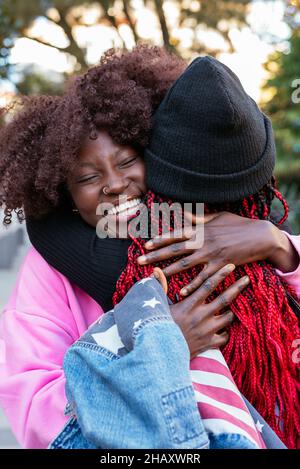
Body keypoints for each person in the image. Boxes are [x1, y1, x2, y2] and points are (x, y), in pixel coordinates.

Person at [0, 47, 298, 449]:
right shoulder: (50, 270)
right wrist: (159, 345)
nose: (115, 184)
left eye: (127, 162)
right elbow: (33, 407)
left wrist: (277, 243)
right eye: (88, 177)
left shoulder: (200, 219)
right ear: (64, 193)